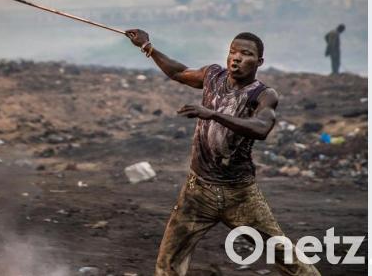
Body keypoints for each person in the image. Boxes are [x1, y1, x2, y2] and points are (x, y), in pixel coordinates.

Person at [125, 29, 320, 276]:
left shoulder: (263, 94)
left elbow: (261, 128)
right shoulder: (212, 76)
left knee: (284, 255)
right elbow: (177, 72)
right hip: (198, 192)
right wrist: (148, 47)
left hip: (239, 193)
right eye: (232, 51)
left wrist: (213, 114)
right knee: (168, 263)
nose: (236, 58)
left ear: (259, 62)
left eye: (246, 54)